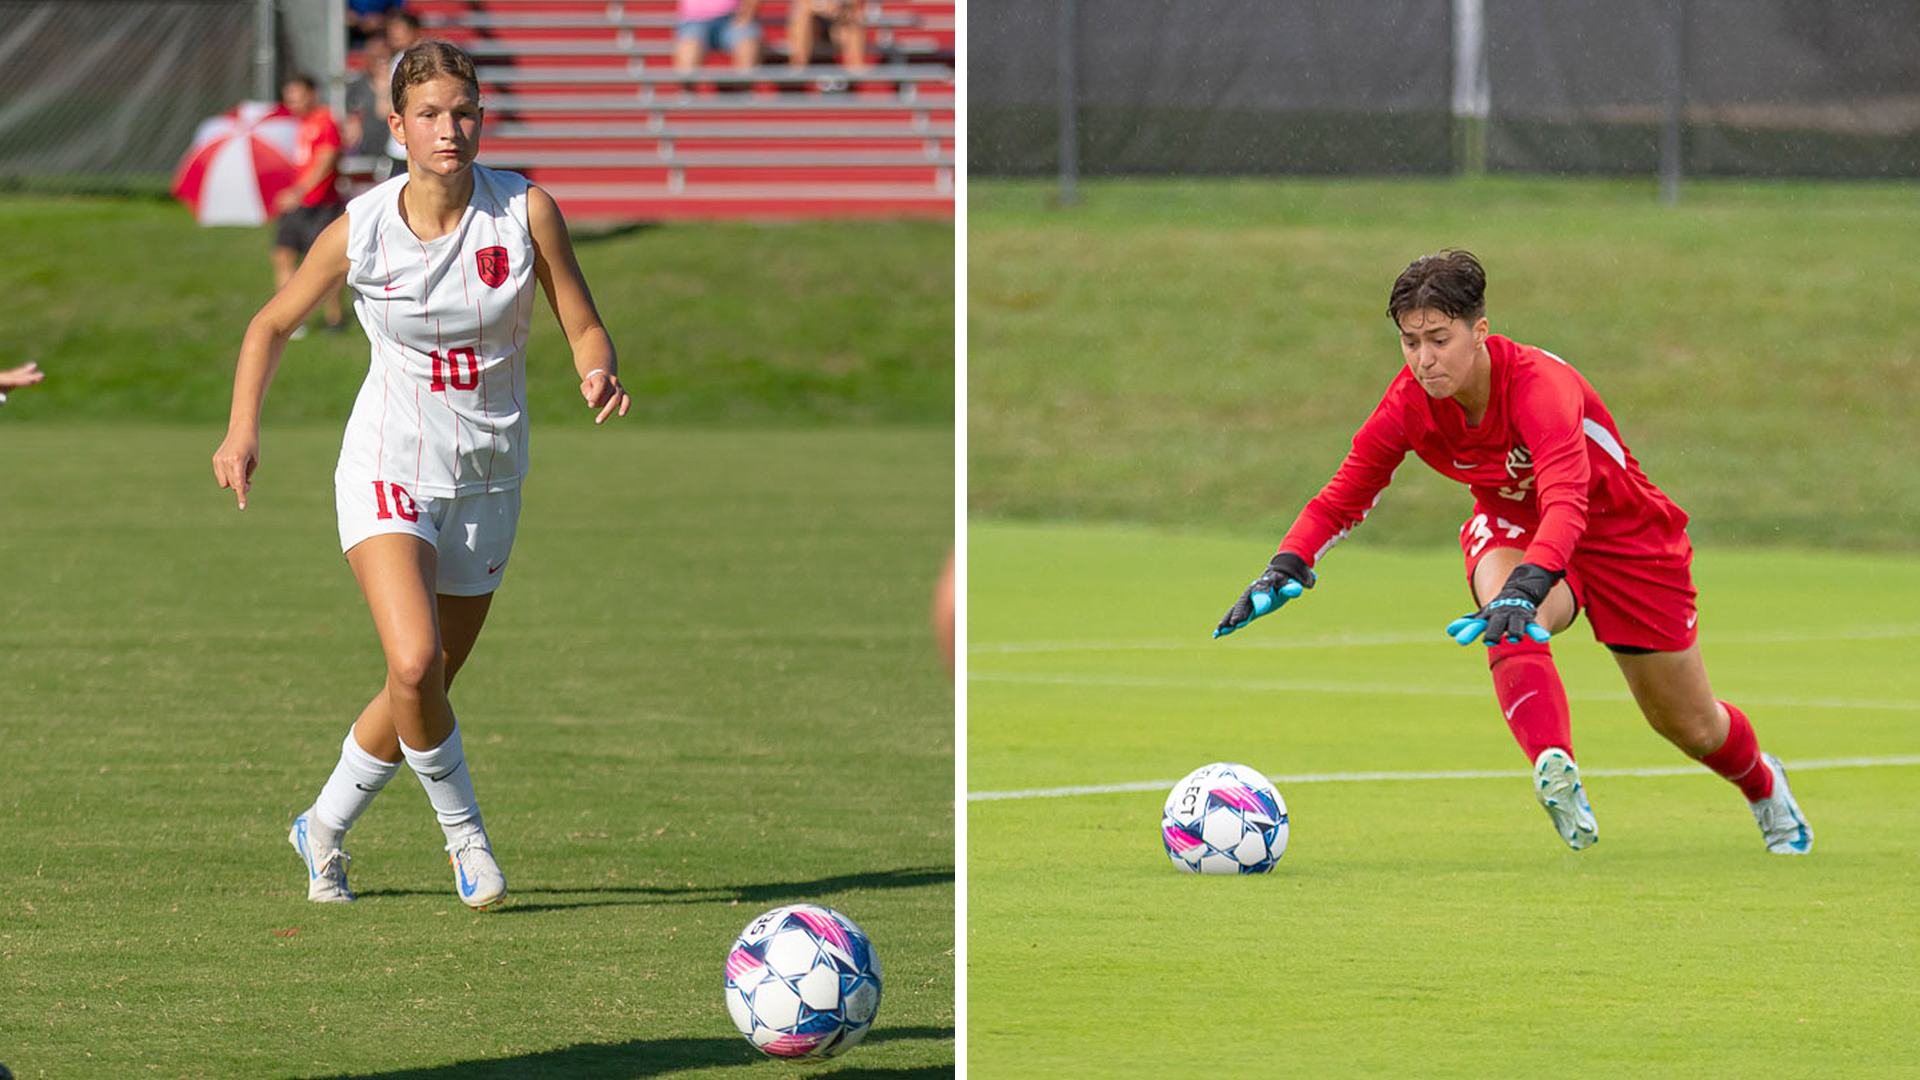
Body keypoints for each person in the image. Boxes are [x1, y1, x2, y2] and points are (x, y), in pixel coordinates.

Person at [212, 40, 632, 909]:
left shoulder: (524, 211)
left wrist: (598, 367)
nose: (452, 129)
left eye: (466, 111)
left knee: (422, 685)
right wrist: (240, 431)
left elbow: (584, 323)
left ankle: (321, 826)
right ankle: (466, 839)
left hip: (487, 478)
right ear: (397, 126)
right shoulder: (362, 228)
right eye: (432, 115)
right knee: (413, 660)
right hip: (387, 466)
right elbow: (269, 326)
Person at [1213, 250, 1813, 856]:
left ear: (1480, 332)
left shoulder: (1539, 388)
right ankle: (1555, 766)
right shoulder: (1409, 404)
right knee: (1506, 613)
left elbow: (1568, 504)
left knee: (1689, 724)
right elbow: (1340, 498)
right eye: (1410, 342)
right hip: (1517, 529)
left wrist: (1530, 584)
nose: (1424, 359)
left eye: (1440, 339)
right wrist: (1286, 562)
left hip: (1626, 539)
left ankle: (1764, 786)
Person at [272, 75, 346, 337]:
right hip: (298, 205)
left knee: (325, 266)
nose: (293, 102)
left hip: (320, 206)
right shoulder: (300, 124)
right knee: (282, 256)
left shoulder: (325, 120)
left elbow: (327, 159)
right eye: (289, 97)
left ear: (312, 94)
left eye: (298, 96)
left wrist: (300, 190)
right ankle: (290, 319)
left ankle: (335, 319)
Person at [343, 36, 396, 178]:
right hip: (367, 151)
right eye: (375, 58)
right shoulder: (358, 86)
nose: (380, 64)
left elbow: (383, 112)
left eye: (384, 58)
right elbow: (352, 124)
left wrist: (384, 88)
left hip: (392, 151)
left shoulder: (397, 86)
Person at [674, 0, 763, 76]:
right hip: (694, 19)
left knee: (748, 47)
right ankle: (687, 94)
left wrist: (747, 16)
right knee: (689, 50)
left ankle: (743, 93)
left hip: (732, 18)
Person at [785, 0, 868, 80]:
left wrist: (839, 9)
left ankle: (855, 71)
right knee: (803, 19)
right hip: (815, 25)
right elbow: (805, 5)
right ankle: (798, 68)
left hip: (838, 23)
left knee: (851, 19)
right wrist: (823, 7)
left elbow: (853, 3)